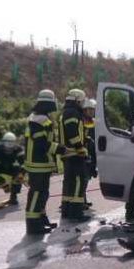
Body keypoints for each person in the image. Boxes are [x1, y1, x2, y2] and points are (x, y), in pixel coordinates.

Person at [24, 90, 67, 235]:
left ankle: (42, 219)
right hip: (37, 165)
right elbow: (41, 144)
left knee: (43, 194)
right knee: (36, 194)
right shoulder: (38, 120)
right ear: (49, 103)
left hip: (42, 164)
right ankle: (33, 225)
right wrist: (60, 149)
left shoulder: (41, 118)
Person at [59, 89, 90, 221]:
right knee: (79, 181)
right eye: (82, 101)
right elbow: (72, 132)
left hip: (68, 154)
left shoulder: (67, 111)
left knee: (69, 183)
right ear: (77, 100)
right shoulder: (72, 112)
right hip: (74, 153)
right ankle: (76, 213)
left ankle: (66, 210)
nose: (83, 103)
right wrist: (80, 147)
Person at [82, 98, 97, 209]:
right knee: (84, 178)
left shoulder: (94, 122)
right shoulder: (82, 122)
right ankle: (82, 200)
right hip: (84, 153)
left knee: (87, 177)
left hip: (92, 153)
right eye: (89, 110)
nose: (91, 112)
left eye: (92, 110)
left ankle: (84, 199)